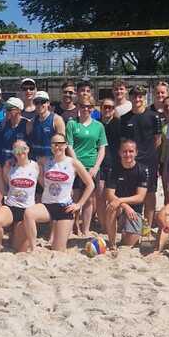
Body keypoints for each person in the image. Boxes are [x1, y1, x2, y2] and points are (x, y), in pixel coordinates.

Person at [23, 134, 93, 252]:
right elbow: (27, 163)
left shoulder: (73, 163)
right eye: (54, 144)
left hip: (65, 208)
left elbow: (90, 185)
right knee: (29, 213)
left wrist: (79, 204)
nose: (57, 147)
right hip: (47, 206)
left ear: (65, 145)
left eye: (60, 144)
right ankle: (33, 248)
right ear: (51, 146)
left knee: (58, 249)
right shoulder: (45, 161)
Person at [119, 86, 161, 229]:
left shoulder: (154, 116)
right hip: (131, 161)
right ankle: (132, 225)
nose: (137, 99)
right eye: (135, 96)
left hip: (149, 161)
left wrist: (148, 154)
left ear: (144, 98)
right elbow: (124, 142)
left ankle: (147, 226)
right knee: (132, 192)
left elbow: (158, 140)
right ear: (130, 98)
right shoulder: (125, 118)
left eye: (140, 96)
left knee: (150, 192)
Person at [66, 97, 106, 236]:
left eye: (89, 106)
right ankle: (75, 224)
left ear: (93, 108)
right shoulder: (72, 124)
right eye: (83, 106)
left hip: (91, 166)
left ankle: (86, 228)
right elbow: (69, 146)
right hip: (75, 166)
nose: (86, 109)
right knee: (75, 196)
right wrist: (77, 165)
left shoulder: (98, 126)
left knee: (89, 198)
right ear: (78, 107)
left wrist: (96, 167)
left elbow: (101, 148)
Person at [0, 139, 39, 252]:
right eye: (17, 149)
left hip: (27, 210)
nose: (20, 152)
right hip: (11, 206)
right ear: (13, 152)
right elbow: (4, 188)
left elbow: (46, 184)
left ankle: (15, 233)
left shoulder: (36, 166)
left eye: (23, 148)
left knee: (19, 248)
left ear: (28, 149)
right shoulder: (9, 167)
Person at [104, 140, 149, 253]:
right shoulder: (113, 169)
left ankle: (128, 231)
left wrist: (121, 201)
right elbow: (109, 194)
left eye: (131, 151)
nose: (127, 154)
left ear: (136, 153)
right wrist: (125, 205)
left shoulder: (142, 170)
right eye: (124, 151)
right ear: (120, 153)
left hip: (134, 210)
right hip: (119, 208)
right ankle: (112, 243)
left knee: (129, 243)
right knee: (111, 207)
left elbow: (140, 197)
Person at [27, 90, 63, 162]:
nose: (39, 105)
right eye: (37, 102)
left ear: (48, 103)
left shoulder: (57, 120)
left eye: (42, 102)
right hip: (35, 162)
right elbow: (26, 144)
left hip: (52, 162)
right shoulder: (31, 122)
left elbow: (61, 145)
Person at [1, 97, 27, 163]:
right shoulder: (3, 123)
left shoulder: (27, 124)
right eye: (6, 108)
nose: (6, 111)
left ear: (19, 110)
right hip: (6, 163)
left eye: (9, 109)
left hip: (20, 163)